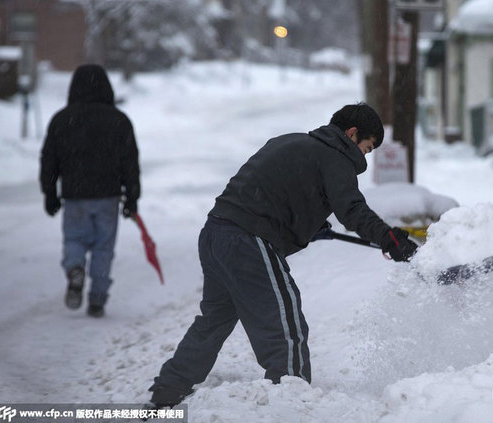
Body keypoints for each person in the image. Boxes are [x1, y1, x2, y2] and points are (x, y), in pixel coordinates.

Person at [147, 103, 418, 408]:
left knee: (214, 321)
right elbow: (352, 209)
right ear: (352, 134)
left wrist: (308, 223)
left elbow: (273, 188)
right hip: (247, 239)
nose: (364, 157)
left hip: (215, 233)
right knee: (286, 327)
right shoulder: (335, 157)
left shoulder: (291, 141)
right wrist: (389, 238)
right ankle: (289, 405)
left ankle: (165, 394)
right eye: (367, 148)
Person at [40, 64, 140, 318]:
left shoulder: (62, 120)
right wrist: (132, 197)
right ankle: (97, 299)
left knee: (74, 239)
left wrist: (50, 193)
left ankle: (75, 268)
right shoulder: (118, 120)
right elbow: (130, 161)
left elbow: (49, 160)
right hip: (108, 196)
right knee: (103, 247)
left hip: (74, 196)